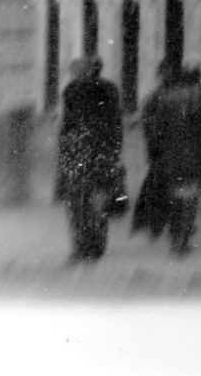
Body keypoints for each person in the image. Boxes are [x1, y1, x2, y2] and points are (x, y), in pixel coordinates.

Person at [138, 59, 201, 255]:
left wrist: (155, 153)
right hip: (195, 155)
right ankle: (181, 240)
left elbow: (154, 129)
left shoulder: (165, 97)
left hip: (170, 156)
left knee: (176, 195)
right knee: (188, 196)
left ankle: (176, 234)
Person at [55, 56, 127, 262]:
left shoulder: (72, 90)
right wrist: (115, 151)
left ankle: (81, 246)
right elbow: (117, 121)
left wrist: (65, 152)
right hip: (103, 151)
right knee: (99, 198)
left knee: (77, 203)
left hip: (79, 149)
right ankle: (98, 244)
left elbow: (67, 124)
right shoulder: (110, 89)